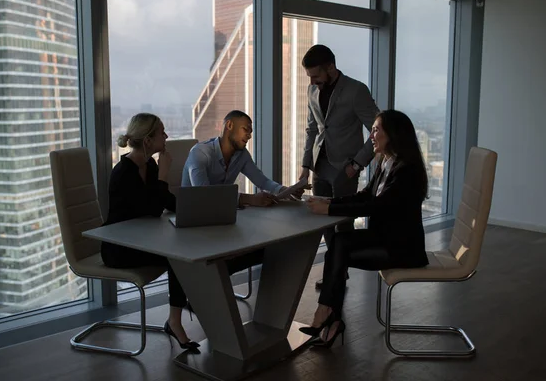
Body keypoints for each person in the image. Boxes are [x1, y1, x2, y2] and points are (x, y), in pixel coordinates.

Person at [301, 110, 430, 348]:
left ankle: (328, 315)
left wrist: (328, 211)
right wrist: (330, 202)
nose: (371, 135)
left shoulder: (407, 170)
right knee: (339, 245)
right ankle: (329, 315)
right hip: (385, 239)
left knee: (339, 251)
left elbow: (377, 206)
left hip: (403, 250)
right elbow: (365, 195)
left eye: (376, 129)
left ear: (393, 134)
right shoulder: (388, 163)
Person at [100, 113, 199, 352]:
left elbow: (165, 201)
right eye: (161, 132)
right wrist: (164, 175)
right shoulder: (123, 173)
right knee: (178, 257)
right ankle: (175, 321)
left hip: (143, 241)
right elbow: (154, 209)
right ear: (147, 141)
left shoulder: (149, 165)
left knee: (182, 252)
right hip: (120, 248)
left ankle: (182, 312)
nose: (166, 136)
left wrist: (195, 211)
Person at [182, 109, 308, 274]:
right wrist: (249, 199)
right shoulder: (200, 153)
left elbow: (262, 181)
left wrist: (288, 191)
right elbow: (205, 195)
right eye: (246, 129)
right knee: (256, 248)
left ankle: (218, 277)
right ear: (229, 125)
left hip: (221, 220)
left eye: (251, 132)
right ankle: (213, 280)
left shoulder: (241, 155)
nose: (249, 135)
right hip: (194, 223)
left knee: (269, 246)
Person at [298, 45, 380, 289]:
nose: (312, 81)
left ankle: (337, 272)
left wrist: (357, 164)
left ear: (331, 67)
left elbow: (378, 131)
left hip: (344, 168)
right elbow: (312, 129)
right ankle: (336, 271)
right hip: (319, 164)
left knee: (342, 222)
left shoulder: (356, 90)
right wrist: (305, 166)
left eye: (315, 75)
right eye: (309, 77)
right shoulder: (312, 90)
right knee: (321, 219)